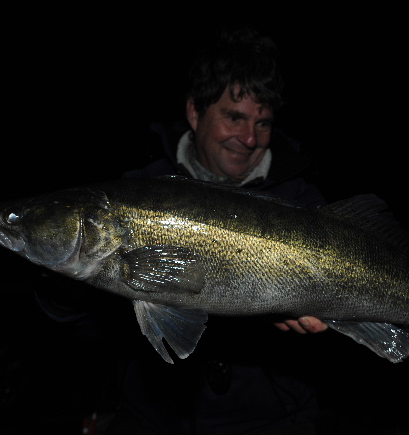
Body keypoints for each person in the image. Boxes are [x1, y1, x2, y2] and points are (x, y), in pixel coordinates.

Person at [38, 26, 329, 435]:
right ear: (194, 112)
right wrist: (61, 290)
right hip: (154, 417)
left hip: (272, 421)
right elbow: (83, 334)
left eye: (263, 123)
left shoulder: (305, 205)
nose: (249, 138)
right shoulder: (131, 195)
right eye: (234, 117)